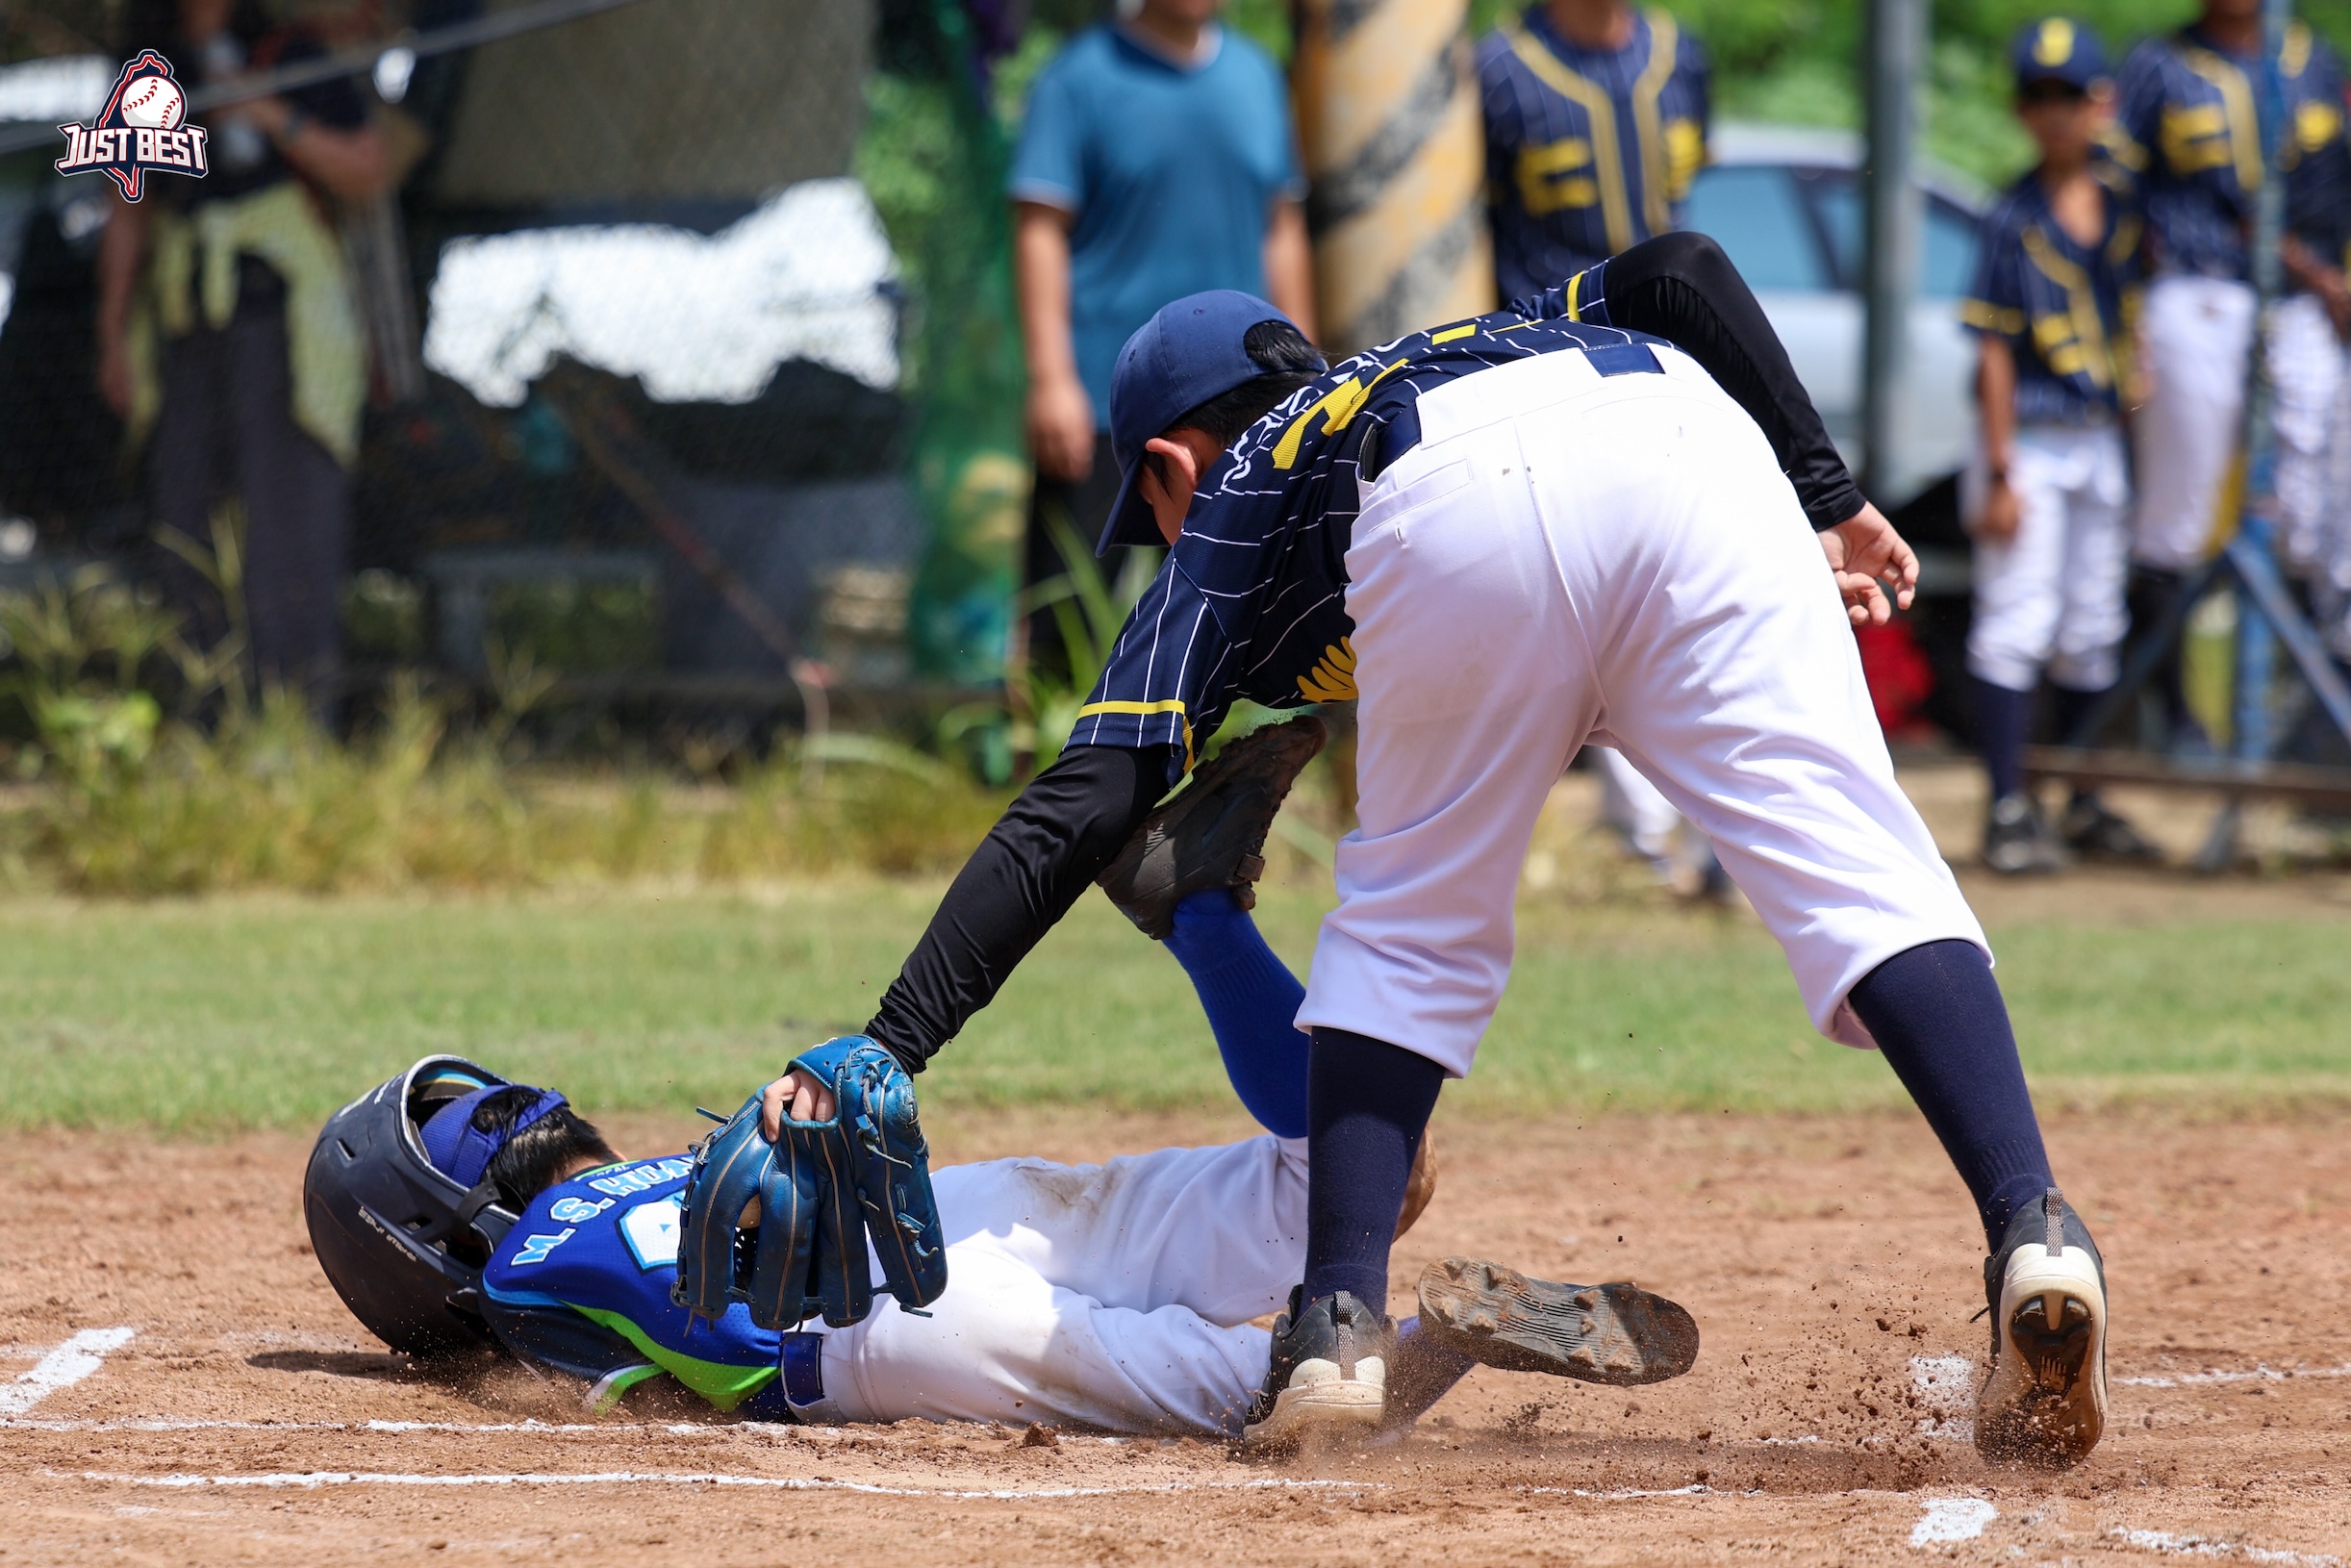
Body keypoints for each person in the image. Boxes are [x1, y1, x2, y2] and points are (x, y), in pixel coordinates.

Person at [756, 232, 2111, 1468]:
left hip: (1450, 497)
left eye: (1151, 506)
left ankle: (1336, 1328)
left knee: (1408, 922)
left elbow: (1089, 792)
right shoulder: (1469, 339)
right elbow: (1682, 273)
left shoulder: (1228, 508)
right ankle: (2035, 1228)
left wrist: (893, 1035)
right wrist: (1824, 490)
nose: (1162, 537)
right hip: (1693, 439)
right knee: (1862, 871)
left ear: (1171, 462)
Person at [304, 789, 1703, 1435]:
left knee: (1269, 1386)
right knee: (1331, 1186)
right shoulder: (528, 1258)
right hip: (922, 1266)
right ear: (423, 1232)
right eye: (477, 1127)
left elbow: (660, 1353)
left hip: (905, 1297)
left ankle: (1400, 1345)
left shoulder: (543, 1272)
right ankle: (1203, 915)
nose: (522, 1107)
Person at [1479, 0, 1716, 888]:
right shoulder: (1499, 70)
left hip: (1677, 357)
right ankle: (1645, 823)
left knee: (1682, 573)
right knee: (1595, 583)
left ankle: (1689, 818)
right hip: (1553, 359)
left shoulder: (1679, 55)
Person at [96, 0, 386, 718]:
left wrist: (269, 115)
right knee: (186, 517)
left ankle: (292, 722)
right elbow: (126, 209)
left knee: (287, 517)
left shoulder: (288, 55)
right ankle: (203, 716)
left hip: (281, 319)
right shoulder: (148, 75)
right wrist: (112, 338)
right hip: (186, 323)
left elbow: (365, 169)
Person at [1007, 0, 1314, 674]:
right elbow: (1040, 227)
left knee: (1234, 611)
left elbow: (1281, 222)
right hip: (1100, 400)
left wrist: (1304, 364)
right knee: (1065, 614)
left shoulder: (1257, 76)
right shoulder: (1075, 80)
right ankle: (1053, 764)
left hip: (1240, 402)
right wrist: (1050, 377)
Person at [2111, 0, 2351, 753]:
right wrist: (2127, 322)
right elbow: (2120, 197)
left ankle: (2307, 727)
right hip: (2198, 289)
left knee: (2317, 519)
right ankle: (2175, 722)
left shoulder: (2313, 58)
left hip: (2310, 308)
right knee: (2178, 513)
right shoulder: (2160, 63)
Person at [1959, 19, 2161, 874]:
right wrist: (2000, 471)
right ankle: (2007, 805)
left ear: (2099, 104)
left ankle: (2078, 796)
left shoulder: (2122, 208)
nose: (2054, 115)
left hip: (2098, 436)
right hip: (2032, 440)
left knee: (2091, 624)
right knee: (2017, 617)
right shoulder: (2013, 215)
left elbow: (2135, 307)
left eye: (2069, 97)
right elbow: (1994, 351)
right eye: (2037, 98)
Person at [1477, 0, 1710, 306]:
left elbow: (1703, 168)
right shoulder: (1497, 70)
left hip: (1664, 318)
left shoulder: (1680, 53)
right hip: (1546, 328)